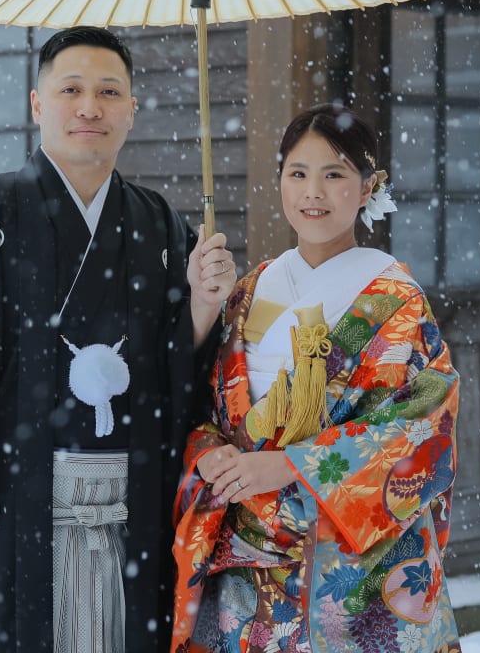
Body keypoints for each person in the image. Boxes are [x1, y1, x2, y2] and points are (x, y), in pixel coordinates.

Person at [0, 26, 237, 653]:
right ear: (37, 105)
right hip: (8, 511)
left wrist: (202, 303)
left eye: (110, 92)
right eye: (72, 89)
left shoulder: (160, 226)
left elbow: (179, 376)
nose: (90, 107)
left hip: (131, 511)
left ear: (132, 111)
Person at [170, 103, 461, 653]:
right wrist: (209, 453)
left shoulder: (396, 300)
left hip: (349, 573)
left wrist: (289, 467)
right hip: (245, 571)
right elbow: (205, 406)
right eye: (298, 173)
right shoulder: (253, 288)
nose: (313, 193)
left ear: (368, 185)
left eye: (335, 174)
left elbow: (426, 427)